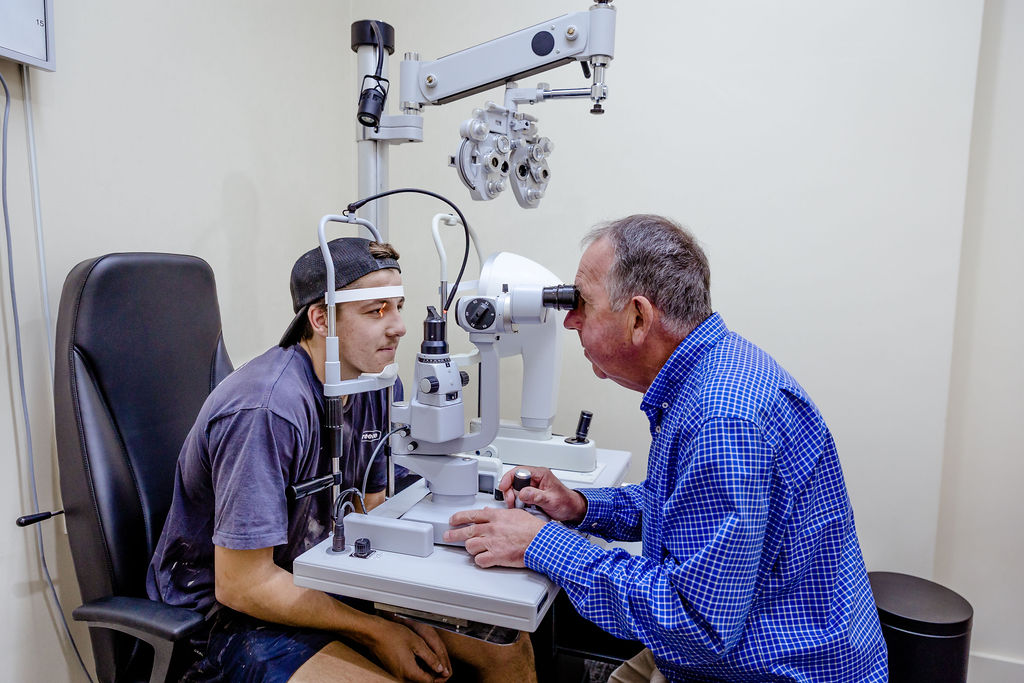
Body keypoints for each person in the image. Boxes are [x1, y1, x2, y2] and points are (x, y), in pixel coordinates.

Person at [445, 215, 888, 682]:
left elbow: (693, 623)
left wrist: (541, 543)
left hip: (761, 667)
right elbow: (682, 506)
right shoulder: (711, 374)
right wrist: (580, 506)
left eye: (582, 304)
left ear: (638, 318)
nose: (570, 320)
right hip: (737, 646)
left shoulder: (722, 420)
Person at [147, 237, 536, 682]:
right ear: (320, 319)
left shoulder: (376, 386)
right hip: (228, 618)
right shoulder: (265, 411)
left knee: (506, 645)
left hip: (329, 579)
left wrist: (407, 609)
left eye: (398, 306)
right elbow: (242, 584)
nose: (399, 327)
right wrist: (375, 630)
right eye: (376, 311)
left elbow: (370, 509)